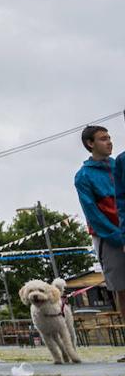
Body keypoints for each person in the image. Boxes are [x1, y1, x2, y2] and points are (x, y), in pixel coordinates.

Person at [76, 124, 125, 361]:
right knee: (122, 289)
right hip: (109, 237)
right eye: (103, 139)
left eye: (109, 137)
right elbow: (93, 213)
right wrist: (118, 237)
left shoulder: (120, 166)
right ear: (90, 144)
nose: (109, 142)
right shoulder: (83, 176)